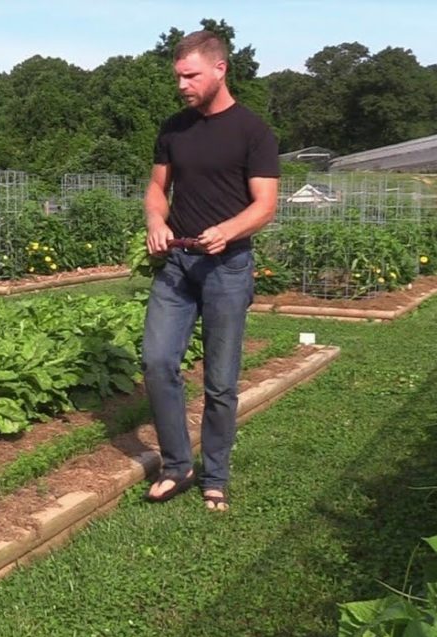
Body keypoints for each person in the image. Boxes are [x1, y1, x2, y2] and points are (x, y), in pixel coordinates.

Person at [141, 30, 280, 512]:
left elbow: (265, 206)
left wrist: (230, 230)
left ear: (220, 69)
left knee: (220, 381)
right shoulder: (173, 128)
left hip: (228, 267)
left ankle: (215, 474)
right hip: (177, 263)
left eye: (190, 76)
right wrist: (156, 221)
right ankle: (177, 465)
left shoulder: (253, 131)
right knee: (158, 362)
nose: (182, 85)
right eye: (178, 76)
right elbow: (158, 189)